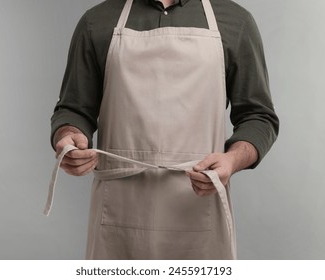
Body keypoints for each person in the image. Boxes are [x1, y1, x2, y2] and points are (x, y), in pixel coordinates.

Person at [50, 0, 279, 259]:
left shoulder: (236, 22)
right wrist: (68, 137)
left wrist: (231, 160)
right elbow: (73, 109)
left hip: (198, 209)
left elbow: (258, 117)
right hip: (119, 213)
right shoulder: (96, 22)